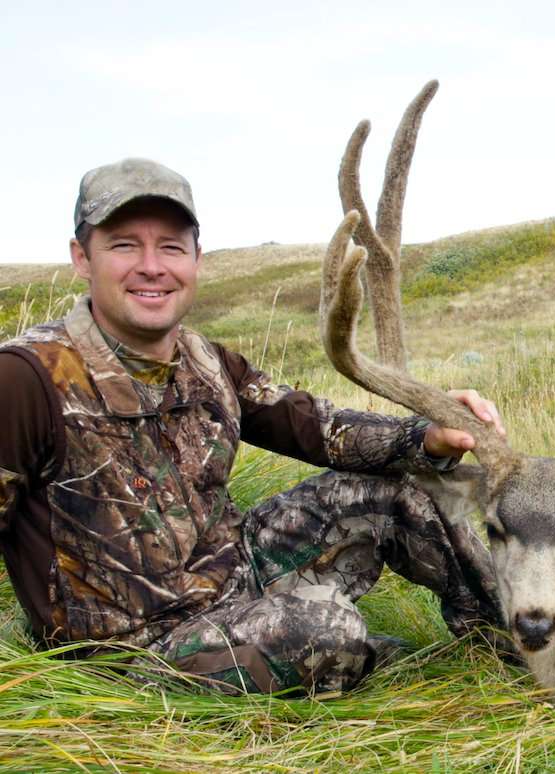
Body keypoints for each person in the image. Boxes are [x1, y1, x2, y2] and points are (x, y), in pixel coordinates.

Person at [0, 158, 508, 694]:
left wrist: (421, 436)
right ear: (82, 258)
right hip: (136, 652)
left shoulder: (208, 361)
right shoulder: (25, 379)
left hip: (234, 576)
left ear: (196, 259)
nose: (152, 266)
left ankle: (520, 644)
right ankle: (352, 649)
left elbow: (316, 426)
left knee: (400, 493)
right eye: (124, 245)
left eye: (171, 247)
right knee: (328, 632)